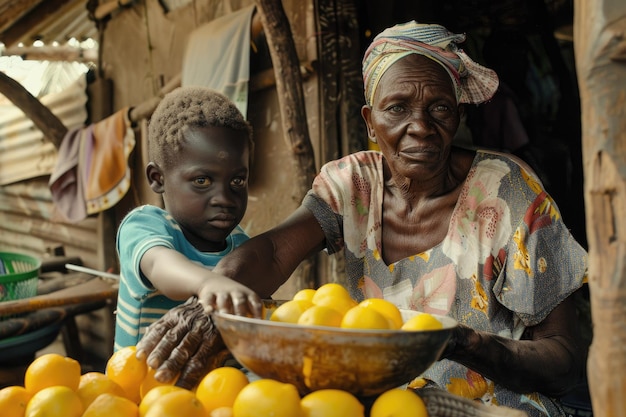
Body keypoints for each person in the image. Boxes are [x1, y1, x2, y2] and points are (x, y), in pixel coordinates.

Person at [136, 22, 588, 417]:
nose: (421, 127)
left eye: (439, 108)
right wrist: (213, 301)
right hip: (376, 403)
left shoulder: (507, 192)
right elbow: (273, 252)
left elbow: (564, 361)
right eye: (397, 109)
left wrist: (464, 344)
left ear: (459, 116)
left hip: (489, 408)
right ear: (370, 122)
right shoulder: (353, 185)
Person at [113, 86, 258, 351]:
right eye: (202, 180)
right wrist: (208, 281)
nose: (224, 198)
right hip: (141, 389)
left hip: (219, 390)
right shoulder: (145, 225)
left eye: (237, 180)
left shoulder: (241, 245)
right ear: (158, 179)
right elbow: (159, 265)